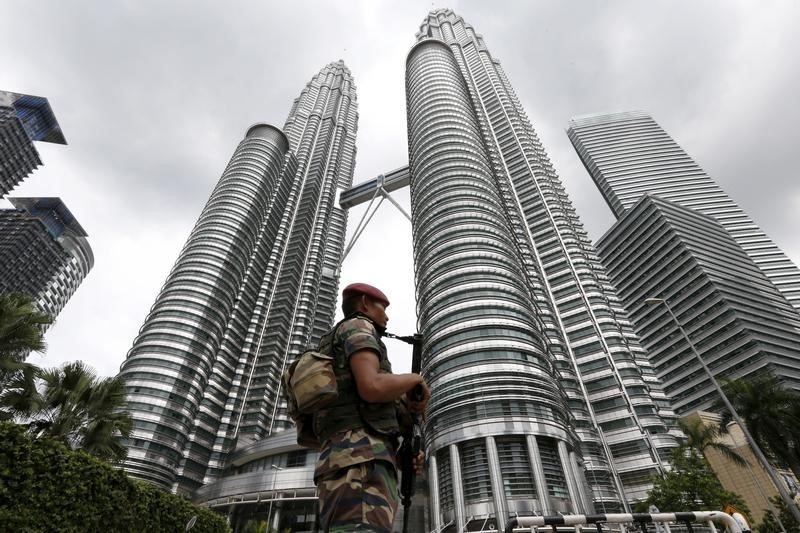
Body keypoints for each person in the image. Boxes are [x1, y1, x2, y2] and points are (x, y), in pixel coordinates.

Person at [313, 282, 430, 533]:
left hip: (354, 463)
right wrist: (415, 379)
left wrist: (402, 455)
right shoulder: (358, 326)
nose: (387, 316)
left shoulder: (337, 344)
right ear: (364, 303)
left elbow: (367, 406)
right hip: (359, 466)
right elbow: (371, 386)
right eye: (382, 308)